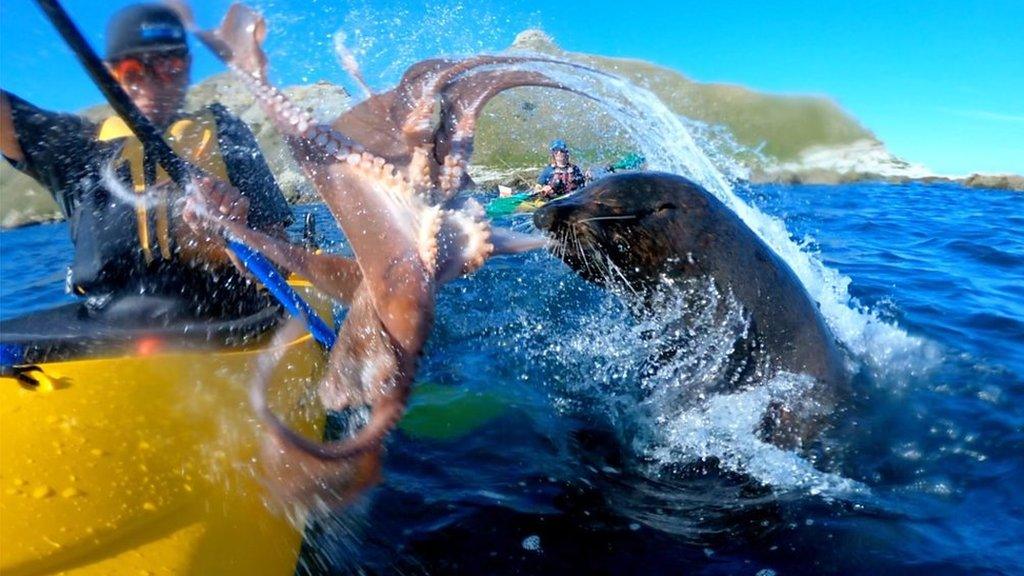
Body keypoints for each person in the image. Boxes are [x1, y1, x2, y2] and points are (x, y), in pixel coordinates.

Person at [0, 4, 293, 321]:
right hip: (106, 330)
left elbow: (283, 264)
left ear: (187, 67)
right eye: (133, 70)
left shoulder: (225, 133)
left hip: (226, 323)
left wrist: (236, 234)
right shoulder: (74, 147)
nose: (153, 82)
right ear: (111, 74)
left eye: (170, 65)